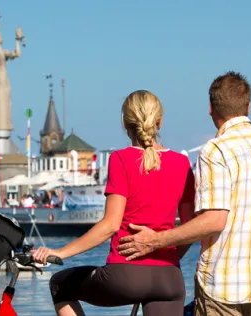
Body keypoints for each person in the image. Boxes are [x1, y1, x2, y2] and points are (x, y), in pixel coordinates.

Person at [117, 72, 251, 316]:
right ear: (248, 106)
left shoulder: (215, 151)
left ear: (211, 109)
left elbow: (214, 221)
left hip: (221, 290)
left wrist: (156, 240)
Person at [32, 90, 196, 316]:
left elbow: (110, 225)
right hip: (169, 279)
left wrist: (60, 252)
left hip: (125, 276)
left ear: (124, 123)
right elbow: (190, 227)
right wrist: (171, 258)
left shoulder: (121, 159)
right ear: (160, 121)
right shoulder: (182, 162)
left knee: (60, 284)